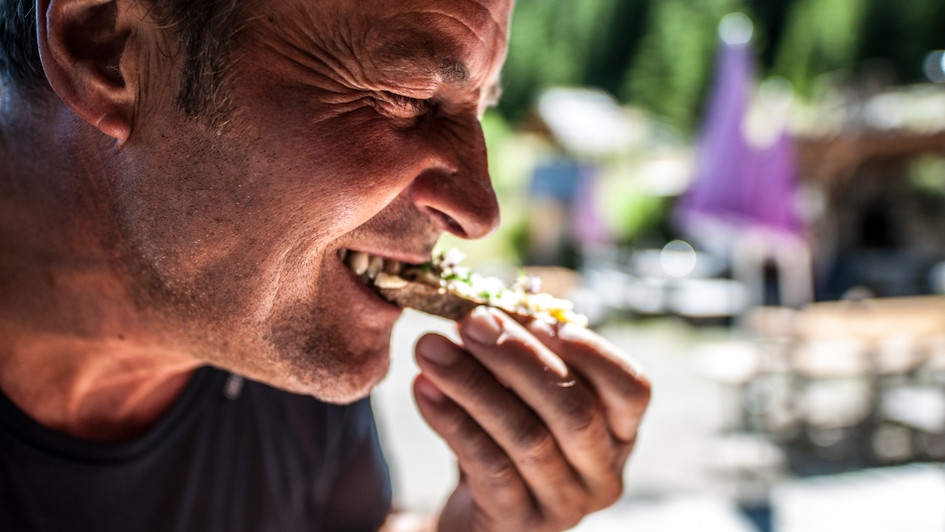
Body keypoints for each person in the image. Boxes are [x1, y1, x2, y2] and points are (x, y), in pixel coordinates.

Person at [0, 0, 651, 530]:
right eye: (405, 96)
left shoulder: (261, 314)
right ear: (106, 46)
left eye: (478, 111)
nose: (480, 213)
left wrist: (481, 524)